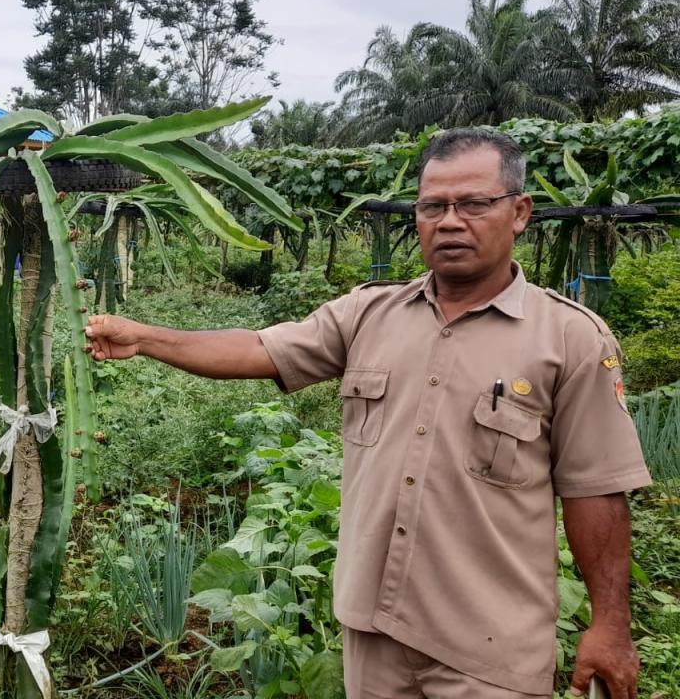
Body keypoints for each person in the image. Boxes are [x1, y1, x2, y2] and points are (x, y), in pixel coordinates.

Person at [83, 128, 651, 698]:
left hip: (490, 646)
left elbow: (596, 491)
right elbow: (260, 348)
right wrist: (148, 337)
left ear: (520, 212)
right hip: (373, 633)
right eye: (432, 207)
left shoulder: (570, 337)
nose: (450, 221)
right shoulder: (369, 314)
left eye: (474, 204)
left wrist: (610, 624)